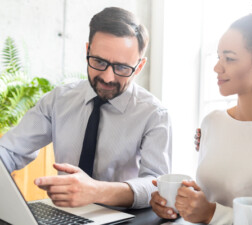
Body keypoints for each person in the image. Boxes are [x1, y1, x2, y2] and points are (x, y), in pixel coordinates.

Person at [150, 1, 252, 224]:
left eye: (229, 58)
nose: (217, 67)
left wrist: (211, 213)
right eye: (219, 56)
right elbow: (204, 202)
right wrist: (177, 205)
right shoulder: (212, 122)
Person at [0, 7, 172, 209]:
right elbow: (10, 151)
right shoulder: (59, 100)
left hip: (127, 219)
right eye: (99, 61)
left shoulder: (154, 115)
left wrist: (96, 191)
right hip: (66, 215)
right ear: (87, 50)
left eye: (122, 68)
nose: (108, 77)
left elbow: (156, 185)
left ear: (139, 66)